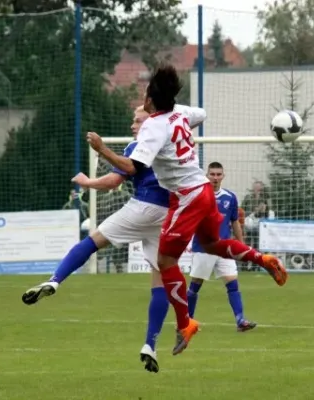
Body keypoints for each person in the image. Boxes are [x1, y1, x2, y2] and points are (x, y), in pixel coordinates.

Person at [87, 64, 287, 356]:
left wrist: (102, 149)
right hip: (204, 190)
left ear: (150, 100)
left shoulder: (153, 126)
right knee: (212, 243)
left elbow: (132, 166)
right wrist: (171, 106)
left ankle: (185, 324)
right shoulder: (180, 114)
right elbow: (202, 113)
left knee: (165, 262)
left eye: (146, 93)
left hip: (187, 198)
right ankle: (263, 259)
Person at [22, 106, 170, 373]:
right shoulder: (171, 144)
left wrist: (87, 181)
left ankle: (55, 280)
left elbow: (113, 181)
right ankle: (150, 344)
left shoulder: (139, 146)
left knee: (92, 242)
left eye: (137, 120)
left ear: (151, 123)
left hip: (144, 207)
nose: (132, 125)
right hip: (168, 215)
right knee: (159, 277)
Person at [187, 162, 257, 332]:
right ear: (207, 175)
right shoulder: (198, 196)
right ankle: (186, 321)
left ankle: (240, 320)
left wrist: (241, 245)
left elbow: (234, 221)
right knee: (196, 284)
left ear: (223, 176)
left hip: (224, 248)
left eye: (219, 174)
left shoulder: (230, 197)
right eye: (212, 174)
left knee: (232, 283)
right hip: (204, 248)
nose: (215, 178)